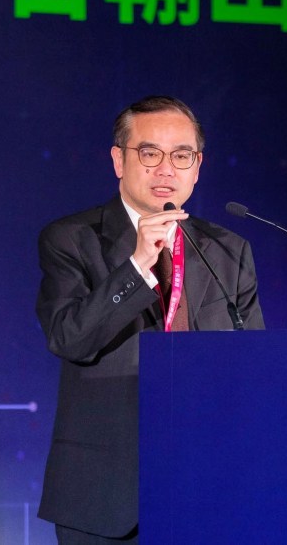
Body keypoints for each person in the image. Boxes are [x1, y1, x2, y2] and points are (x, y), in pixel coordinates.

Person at [34, 95, 265, 543]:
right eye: (149, 153)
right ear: (118, 160)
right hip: (107, 493)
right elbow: (69, 337)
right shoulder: (71, 239)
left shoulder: (228, 250)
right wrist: (138, 264)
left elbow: (253, 364)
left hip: (207, 486)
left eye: (181, 155)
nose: (166, 170)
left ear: (197, 167)